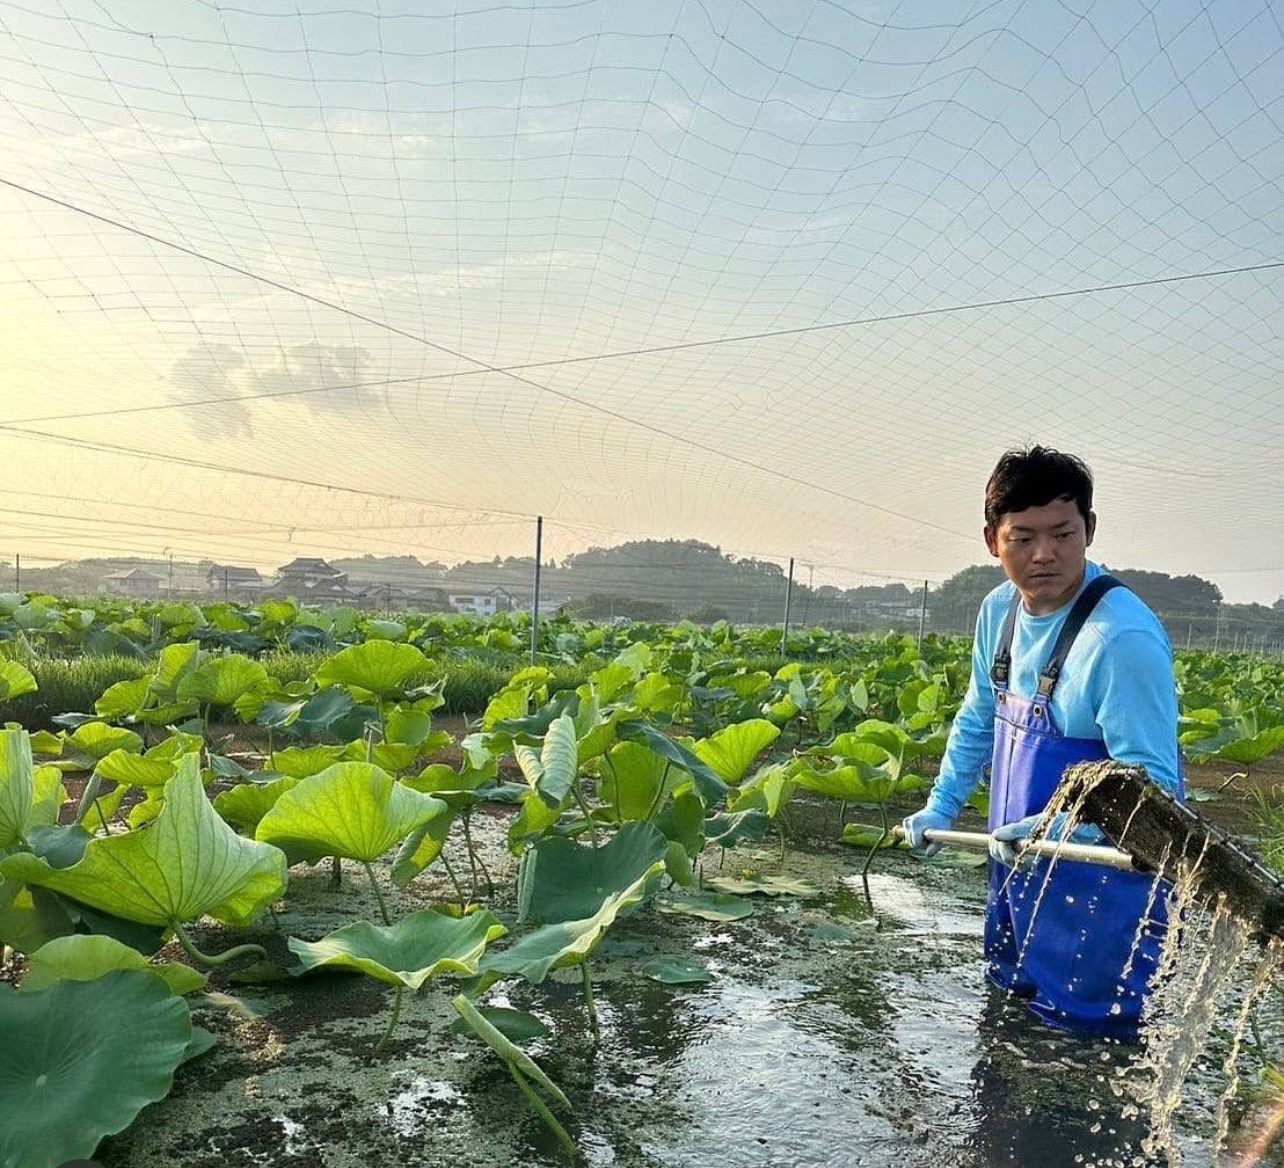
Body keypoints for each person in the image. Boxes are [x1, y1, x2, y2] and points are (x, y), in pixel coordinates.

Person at [902, 445, 1182, 1039]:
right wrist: (943, 803)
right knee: (1007, 1017)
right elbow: (980, 714)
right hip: (1016, 870)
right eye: (1022, 538)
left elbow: (1154, 790)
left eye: (1062, 533)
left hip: (1100, 886)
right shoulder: (998, 611)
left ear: (1090, 529)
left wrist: (1057, 832)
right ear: (991, 540)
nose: (1044, 555)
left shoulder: (1120, 640)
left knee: (1089, 1047)